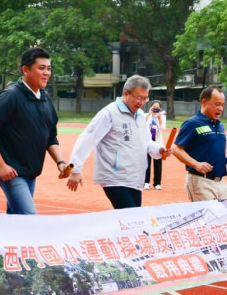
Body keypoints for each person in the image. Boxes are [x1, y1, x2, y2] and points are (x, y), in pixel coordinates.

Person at [0, 46, 66, 214]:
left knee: (15, 221)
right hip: (12, 173)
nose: (47, 73)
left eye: (48, 68)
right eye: (41, 68)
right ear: (25, 69)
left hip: (31, 173)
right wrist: (1, 165)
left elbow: (51, 136)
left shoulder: (45, 98)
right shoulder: (11, 96)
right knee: (28, 218)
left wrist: (60, 162)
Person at [65, 75, 170, 209]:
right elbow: (87, 139)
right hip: (114, 177)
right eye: (139, 98)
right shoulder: (109, 113)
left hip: (135, 177)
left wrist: (159, 149)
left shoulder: (140, 115)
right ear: (126, 93)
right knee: (130, 216)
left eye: (145, 98)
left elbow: (146, 142)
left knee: (132, 219)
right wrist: (75, 169)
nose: (142, 102)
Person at [172, 86, 227, 202]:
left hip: (221, 183)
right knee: (209, 218)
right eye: (217, 104)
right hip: (201, 182)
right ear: (204, 102)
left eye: (223, 105)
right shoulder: (192, 123)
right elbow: (175, 149)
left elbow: (208, 150)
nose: (221, 108)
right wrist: (196, 164)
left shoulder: (219, 125)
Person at [144, 101, 167, 190]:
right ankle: (146, 182)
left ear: (160, 108)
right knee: (147, 162)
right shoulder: (146, 115)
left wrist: (160, 118)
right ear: (150, 107)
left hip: (157, 142)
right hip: (148, 141)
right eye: (154, 107)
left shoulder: (162, 116)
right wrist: (149, 114)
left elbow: (163, 128)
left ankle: (157, 183)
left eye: (157, 107)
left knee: (158, 162)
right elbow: (142, 124)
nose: (155, 109)